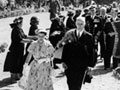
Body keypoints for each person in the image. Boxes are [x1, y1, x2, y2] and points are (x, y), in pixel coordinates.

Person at [57, 17, 95, 90]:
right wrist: (63, 61)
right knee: (70, 83)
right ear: (75, 24)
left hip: (81, 64)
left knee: (78, 84)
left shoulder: (88, 36)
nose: (79, 26)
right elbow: (65, 48)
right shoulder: (69, 34)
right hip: (70, 63)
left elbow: (91, 51)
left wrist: (90, 65)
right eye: (78, 24)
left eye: (81, 24)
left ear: (84, 24)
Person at [4, 17, 27, 81]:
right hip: (15, 50)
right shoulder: (15, 30)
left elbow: (25, 36)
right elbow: (20, 40)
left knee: (19, 63)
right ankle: (13, 78)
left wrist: (34, 37)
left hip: (20, 50)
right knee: (15, 63)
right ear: (19, 23)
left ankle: (17, 76)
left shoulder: (20, 29)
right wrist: (30, 41)